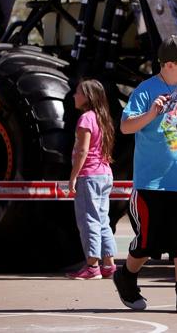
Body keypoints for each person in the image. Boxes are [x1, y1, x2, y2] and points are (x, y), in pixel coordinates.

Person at [112, 35, 177, 314]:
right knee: (148, 243)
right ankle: (126, 276)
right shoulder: (146, 90)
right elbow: (125, 127)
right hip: (152, 183)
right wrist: (151, 114)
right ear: (169, 65)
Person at [65, 79, 117, 280]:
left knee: (89, 221)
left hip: (90, 175)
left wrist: (73, 177)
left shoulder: (86, 118)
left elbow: (82, 150)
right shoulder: (102, 117)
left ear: (87, 96)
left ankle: (92, 266)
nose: (74, 96)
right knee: (103, 220)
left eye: (78, 92)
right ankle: (109, 264)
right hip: (104, 174)